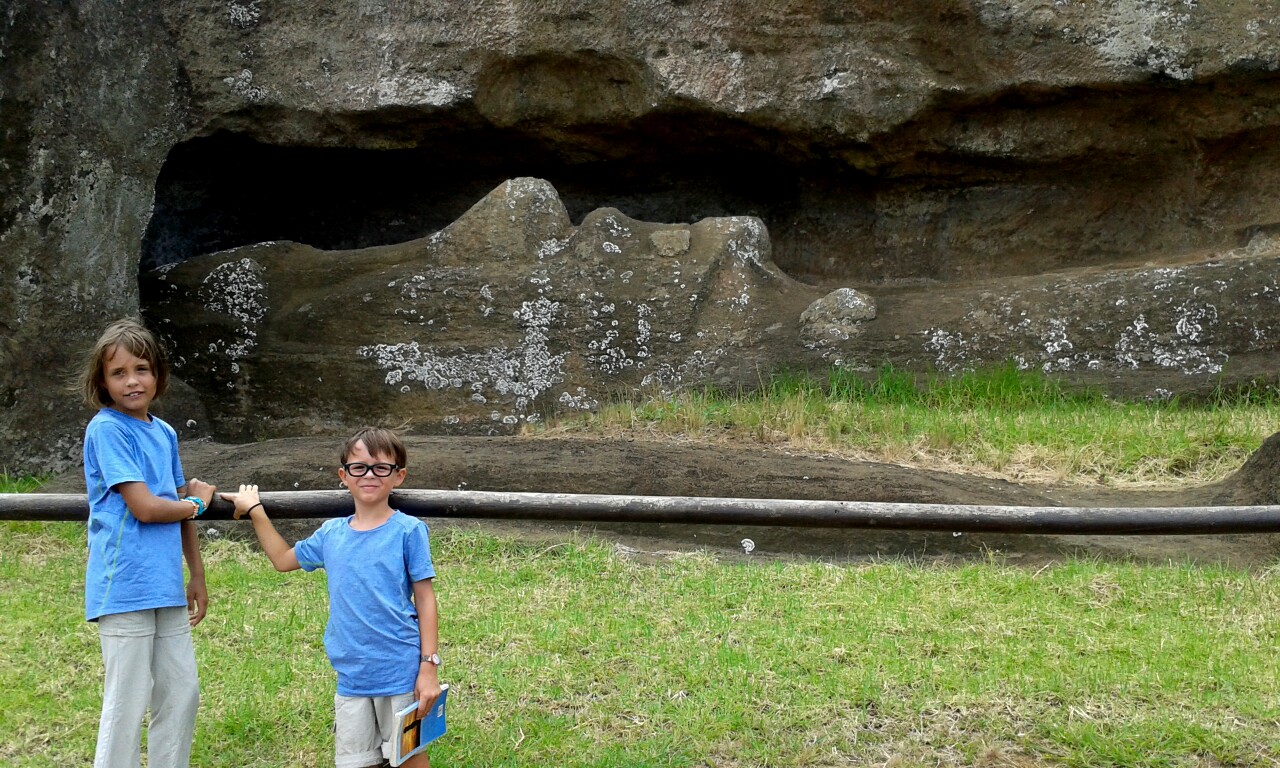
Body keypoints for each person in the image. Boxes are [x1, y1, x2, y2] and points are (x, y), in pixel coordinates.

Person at [220, 426, 442, 768]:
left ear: (398, 476)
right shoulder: (331, 534)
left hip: (400, 670)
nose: (369, 475)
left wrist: (429, 666)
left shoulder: (408, 531)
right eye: (359, 467)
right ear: (344, 475)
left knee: (408, 757)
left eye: (381, 467)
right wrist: (256, 511)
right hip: (351, 675)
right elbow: (282, 560)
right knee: (356, 761)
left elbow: (425, 598)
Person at [78, 317, 216, 768]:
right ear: (102, 381)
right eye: (118, 373)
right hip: (125, 585)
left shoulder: (164, 431)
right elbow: (146, 507)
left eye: (141, 369)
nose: (132, 381)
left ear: (158, 374)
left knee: (181, 692)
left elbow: (176, 502)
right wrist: (197, 504)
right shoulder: (107, 429)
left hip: (164, 584)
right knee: (127, 702)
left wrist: (195, 573)